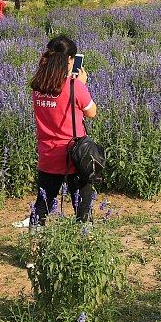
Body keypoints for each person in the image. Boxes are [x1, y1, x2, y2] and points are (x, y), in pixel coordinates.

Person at [30, 35, 98, 225]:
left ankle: (34, 246)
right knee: (82, 208)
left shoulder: (37, 86)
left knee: (42, 206)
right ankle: (85, 245)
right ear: (69, 60)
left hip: (48, 155)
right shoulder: (75, 86)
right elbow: (92, 112)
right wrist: (80, 85)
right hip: (75, 156)